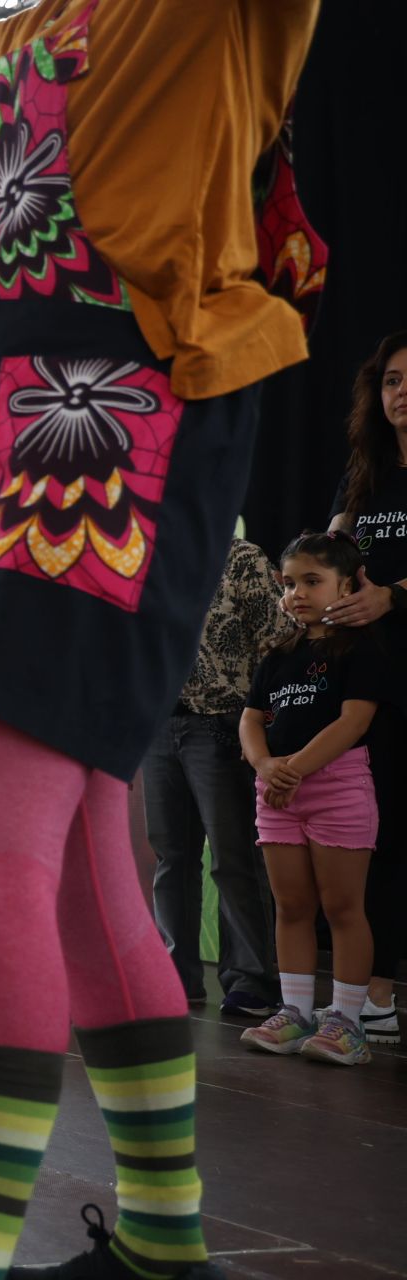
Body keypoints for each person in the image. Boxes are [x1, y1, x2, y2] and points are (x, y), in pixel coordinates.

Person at [0, 1, 320, 1276]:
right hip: (8, 438)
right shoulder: (37, 26)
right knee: (90, 875)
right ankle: (163, 1244)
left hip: (111, 411)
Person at [237, 532, 381, 1066]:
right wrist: (265, 765)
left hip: (335, 788)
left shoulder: (362, 648)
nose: (297, 593)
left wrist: (293, 768)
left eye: (312, 581)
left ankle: (346, 1023)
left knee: (342, 907)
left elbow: (354, 720)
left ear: (347, 583)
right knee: (292, 905)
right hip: (277, 792)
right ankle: (296, 1013)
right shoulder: (279, 656)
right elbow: (252, 720)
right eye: (290, 583)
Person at [141, 537, 287, 1016]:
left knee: (233, 858)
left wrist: (261, 727)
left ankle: (251, 981)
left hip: (224, 723)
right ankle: (176, 977)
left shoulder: (240, 557)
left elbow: (278, 641)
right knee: (171, 856)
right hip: (159, 722)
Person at [324, 330, 407, 1045]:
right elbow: (326, 551)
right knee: (378, 836)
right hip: (368, 681)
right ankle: (372, 991)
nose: (400, 391)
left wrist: (394, 595)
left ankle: (378, 988)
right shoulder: (365, 477)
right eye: (390, 381)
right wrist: (321, 585)